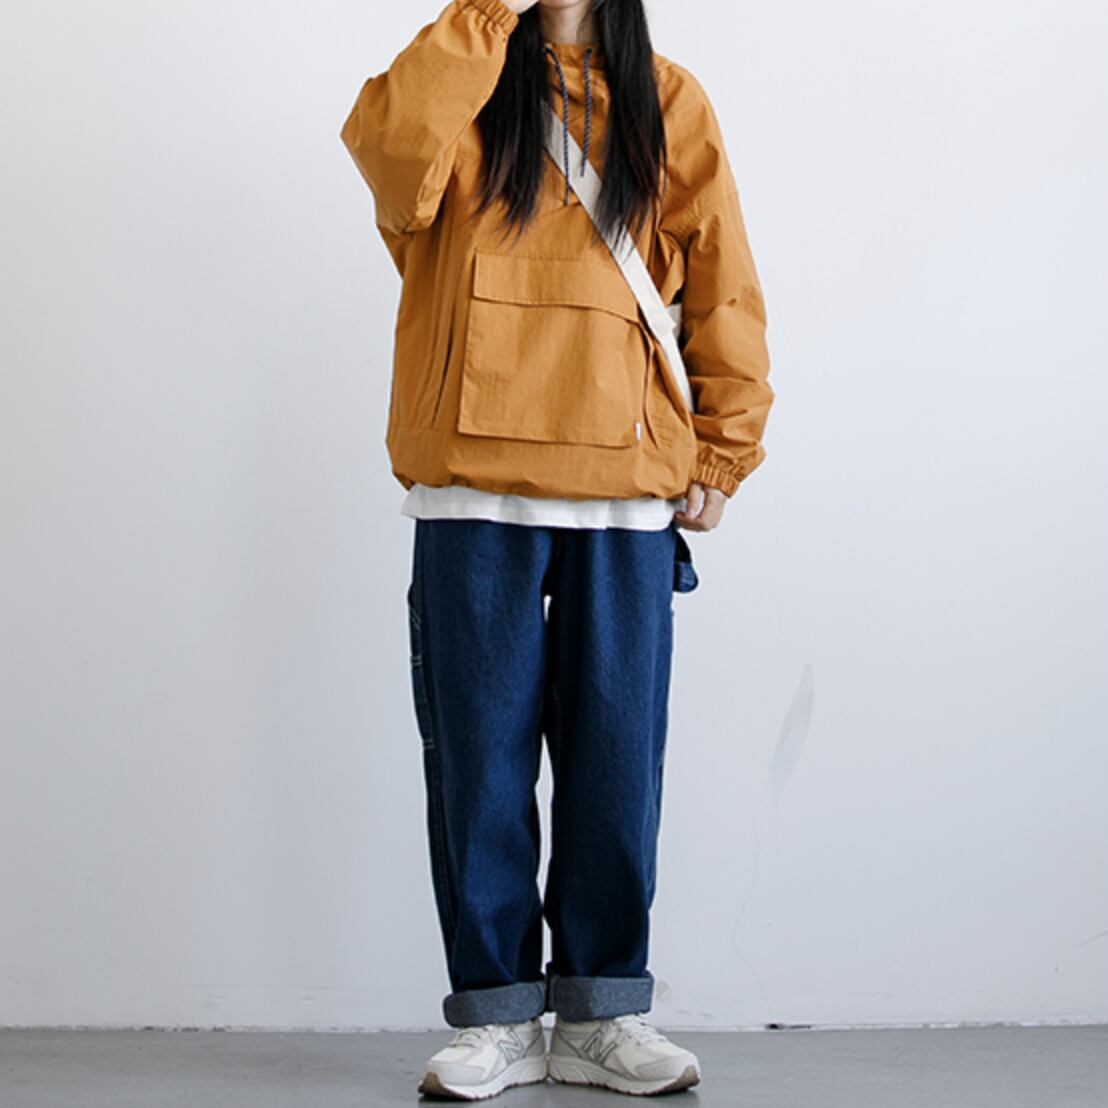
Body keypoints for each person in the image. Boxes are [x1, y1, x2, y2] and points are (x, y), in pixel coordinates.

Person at [340, 0, 773, 1098]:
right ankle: (494, 1016)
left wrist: (724, 446)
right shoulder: (465, 70)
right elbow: (390, 160)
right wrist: (484, 12)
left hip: (623, 484)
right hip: (470, 480)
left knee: (615, 764)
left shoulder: (666, 98)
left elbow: (720, 276)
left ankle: (602, 1011)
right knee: (479, 766)